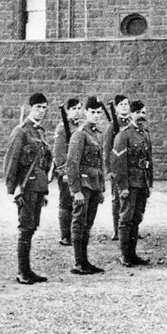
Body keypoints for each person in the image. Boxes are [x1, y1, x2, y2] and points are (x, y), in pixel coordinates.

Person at [3, 93, 53, 285]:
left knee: (32, 227)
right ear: (30, 108)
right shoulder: (21, 131)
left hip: (37, 186)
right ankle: (22, 271)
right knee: (25, 227)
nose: (41, 111)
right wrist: (14, 189)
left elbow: (43, 162)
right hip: (25, 186)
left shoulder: (39, 132)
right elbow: (12, 161)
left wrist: (44, 190)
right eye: (38, 107)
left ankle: (28, 269)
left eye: (44, 107)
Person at [66, 97, 106, 275]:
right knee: (79, 222)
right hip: (83, 185)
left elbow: (100, 163)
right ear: (85, 112)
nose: (96, 116)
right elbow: (72, 163)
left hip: (94, 185)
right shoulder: (79, 134)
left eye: (99, 113)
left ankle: (85, 260)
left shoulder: (97, 134)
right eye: (93, 112)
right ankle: (78, 262)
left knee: (88, 223)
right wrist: (75, 190)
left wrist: (102, 188)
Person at [111, 99, 152, 267]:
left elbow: (149, 161)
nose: (142, 116)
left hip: (142, 182)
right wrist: (123, 187)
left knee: (137, 218)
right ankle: (124, 255)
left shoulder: (145, 134)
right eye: (139, 113)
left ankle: (133, 253)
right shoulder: (124, 135)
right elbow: (117, 163)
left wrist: (149, 183)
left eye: (144, 113)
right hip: (130, 183)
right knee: (126, 218)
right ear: (132, 114)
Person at [52, 97, 83, 247]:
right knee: (65, 203)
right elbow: (59, 153)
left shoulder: (80, 128)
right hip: (66, 172)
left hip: (78, 171)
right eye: (74, 109)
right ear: (68, 111)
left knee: (77, 202)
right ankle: (65, 235)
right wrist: (64, 172)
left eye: (79, 108)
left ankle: (76, 232)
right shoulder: (62, 128)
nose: (77, 112)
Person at [102, 94, 131, 240]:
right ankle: (117, 229)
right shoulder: (112, 126)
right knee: (117, 199)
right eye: (121, 104)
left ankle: (130, 228)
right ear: (117, 108)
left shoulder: (132, 124)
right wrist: (108, 170)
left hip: (131, 168)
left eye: (126, 104)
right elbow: (107, 149)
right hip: (117, 168)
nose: (125, 106)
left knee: (131, 199)